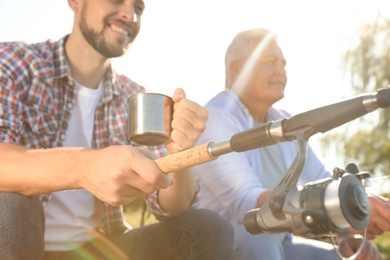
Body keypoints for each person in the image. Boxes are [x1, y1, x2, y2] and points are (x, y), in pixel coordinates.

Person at [0, 0, 234, 259]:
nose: (129, 14)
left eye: (139, 8)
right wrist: (85, 167)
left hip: (100, 249)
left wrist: (179, 152)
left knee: (207, 229)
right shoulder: (14, 63)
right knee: (7, 203)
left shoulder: (134, 98)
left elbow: (172, 207)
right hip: (20, 243)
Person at [194, 28, 389, 260]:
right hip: (223, 246)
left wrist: (345, 233)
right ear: (237, 70)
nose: (282, 70)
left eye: (283, 63)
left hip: (276, 243)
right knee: (260, 233)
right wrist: (342, 203)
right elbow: (247, 203)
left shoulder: (284, 121)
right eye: (270, 62)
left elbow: (323, 180)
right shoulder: (215, 119)